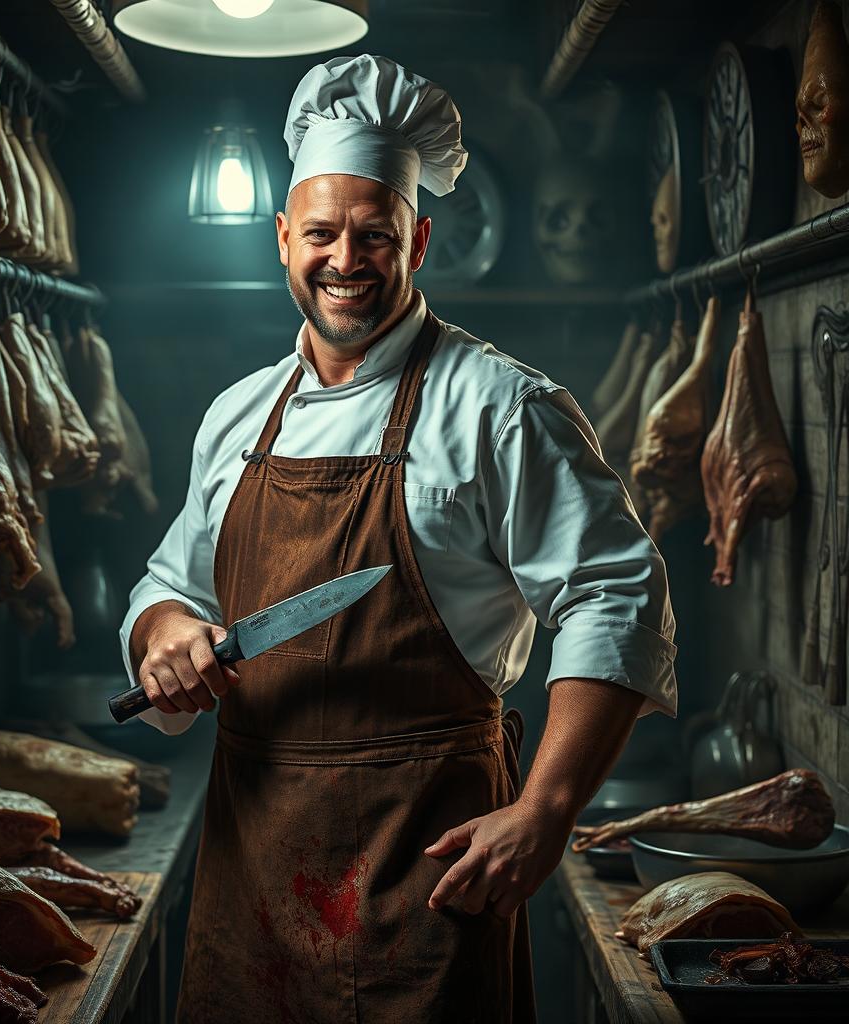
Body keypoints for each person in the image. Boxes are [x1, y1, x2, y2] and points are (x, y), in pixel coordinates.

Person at [121, 54, 677, 1024]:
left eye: (373, 235)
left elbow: (614, 592)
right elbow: (175, 580)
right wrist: (164, 630)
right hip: (251, 874)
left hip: (421, 888)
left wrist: (545, 810)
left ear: (418, 240)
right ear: (282, 237)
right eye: (323, 234)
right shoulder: (240, 417)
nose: (346, 259)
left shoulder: (498, 406)